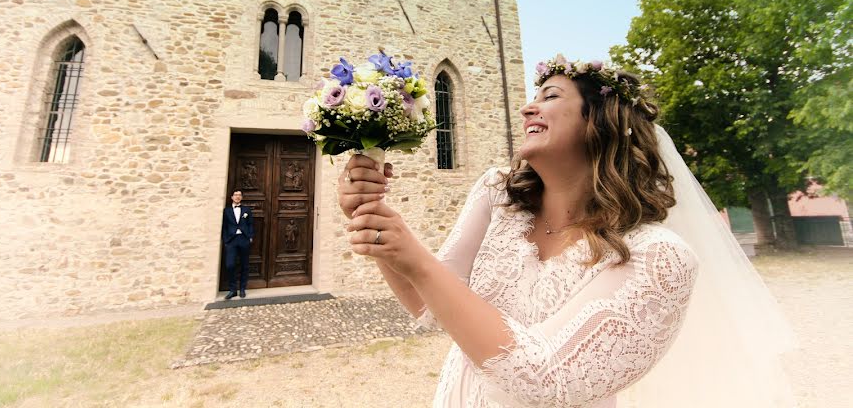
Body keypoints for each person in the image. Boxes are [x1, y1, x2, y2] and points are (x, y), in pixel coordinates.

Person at [339, 55, 795, 408]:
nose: (527, 106)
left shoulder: (658, 257)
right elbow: (431, 304)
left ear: (599, 121)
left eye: (551, 96)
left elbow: (546, 381)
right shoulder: (497, 197)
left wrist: (415, 257)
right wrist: (374, 221)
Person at [222, 189, 254, 300]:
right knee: (230, 265)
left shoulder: (246, 210)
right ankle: (232, 289)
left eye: (239, 195)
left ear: (242, 197)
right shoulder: (226, 211)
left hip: (243, 239)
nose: (237, 197)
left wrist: (250, 236)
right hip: (231, 240)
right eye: (235, 195)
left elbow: (250, 224)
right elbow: (224, 226)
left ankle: (242, 289)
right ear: (232, 197)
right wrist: (226, 240)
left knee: (244, 265)